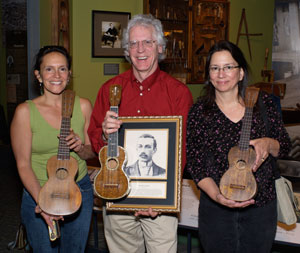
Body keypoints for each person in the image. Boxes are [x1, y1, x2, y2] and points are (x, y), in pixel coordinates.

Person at [88, 14, 193, 253]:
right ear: (126, 50)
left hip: (160, 204)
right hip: (117, 194)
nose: (140, 49)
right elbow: (94, 136)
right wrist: (105, 135)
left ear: (160, 47)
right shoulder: (109, 90)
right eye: (133, 43)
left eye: (147, 42)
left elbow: (182, 150)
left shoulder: (178, 93)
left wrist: (163, 198)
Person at [186, 40, 292, 253]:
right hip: (216, 209)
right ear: (209, 75)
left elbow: (284, 145)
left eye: (228, 67)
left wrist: (267, 143)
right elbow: (196, 164)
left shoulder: (264, 104)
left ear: (241, 73)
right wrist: (217, 196)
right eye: (214, 68)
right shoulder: (200, 112)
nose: (221, 74)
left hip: (260, 208)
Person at [10, 45, 95, 252]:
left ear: (69, 74)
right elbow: (22, 165)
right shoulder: (25, 112)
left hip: (78, 191)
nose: (56, 75)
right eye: (49, 69)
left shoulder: (82, 105)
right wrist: (43, 203)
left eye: (62, 69)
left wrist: (79, 146)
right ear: (38, 75)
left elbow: (92, 153)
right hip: (38, 192)